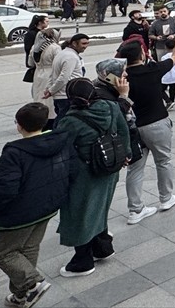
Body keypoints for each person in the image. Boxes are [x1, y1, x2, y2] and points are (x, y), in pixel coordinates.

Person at [0, 103, 70, 308]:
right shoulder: (57, 140)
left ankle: (33, 283)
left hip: (21, 213)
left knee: (4, 254)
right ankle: (20, 296)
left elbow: (5, 189)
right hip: (47, 206)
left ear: (19, 126)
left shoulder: (15, 152)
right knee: (27, 249)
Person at [54, 79, 130, 277]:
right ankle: (102, 247)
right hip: (109, 166)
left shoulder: (69, 120)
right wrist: (125, 154)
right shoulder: (111, 107)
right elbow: (123, 132)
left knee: (80, 213)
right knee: (100, 206)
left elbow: (60, 148)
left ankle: (82, 261)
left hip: (84, 173)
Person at [118, 36, 175, 225]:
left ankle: (135, 210)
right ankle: (166, 198)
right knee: (163, 160)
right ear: (143, 54)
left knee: (135, 168)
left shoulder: (122, 77)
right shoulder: (152, 69)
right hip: (157, 123)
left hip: (134, 127)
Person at [44, 34, 89, 122]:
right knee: (64, 121)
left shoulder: (62, 53)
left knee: (62, 119)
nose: (85, 46)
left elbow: (53, 74)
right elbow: (63, 77)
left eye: (87, 43)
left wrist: (50, 89)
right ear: (74, 44)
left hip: (61, 95)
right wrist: (51, 90)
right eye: (83, 44)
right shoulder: (71, 57)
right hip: (66, 95)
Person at [29, 28, 61, 128]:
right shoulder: (55, 47)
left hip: (38, 74)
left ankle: (38, 117)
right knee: (49, 99)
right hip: (50, 73)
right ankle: (50, 120)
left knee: (38, 96)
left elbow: (30, 63)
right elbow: (58, 63)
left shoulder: (35, 47)